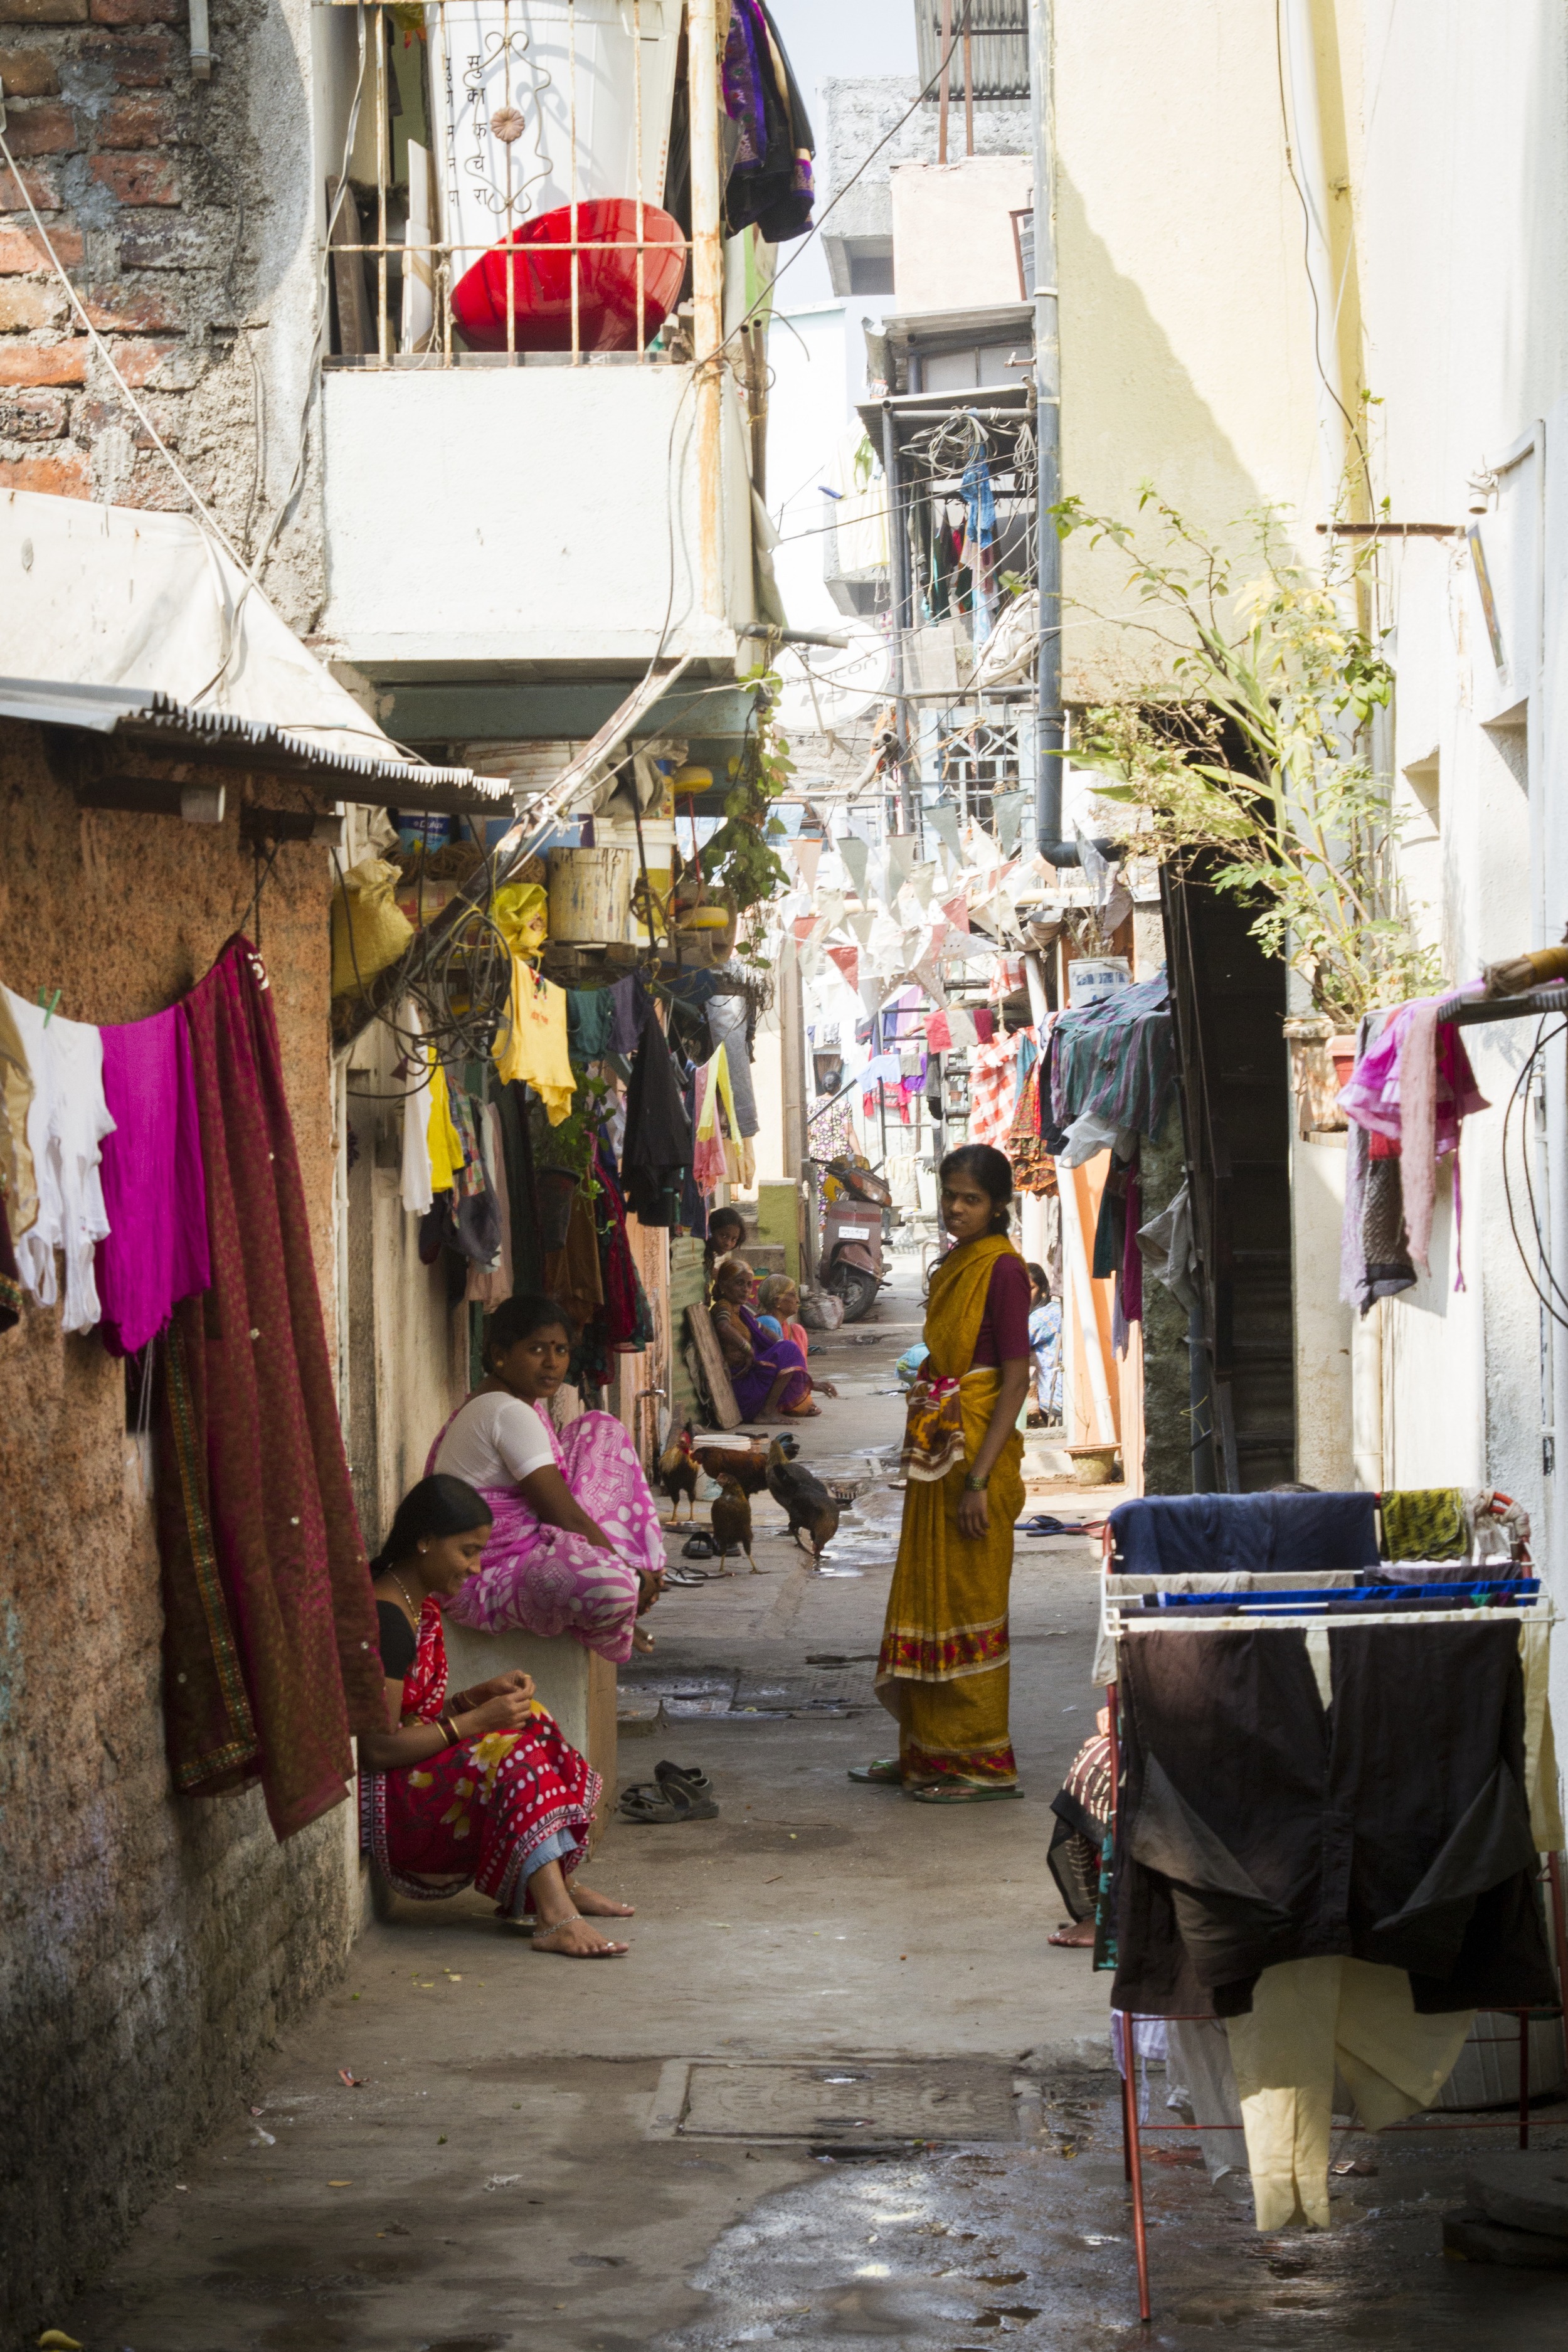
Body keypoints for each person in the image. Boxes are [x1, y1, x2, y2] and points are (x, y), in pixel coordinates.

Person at [358, 1475, 633, 1957]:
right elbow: (380, 1747)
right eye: (467, 1551)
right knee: (511, 1751)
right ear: (424, 1542)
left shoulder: (414, 1604)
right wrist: (473, 1724)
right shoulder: (387, 1619)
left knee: (532, 1720)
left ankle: (556, 1884)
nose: (475, 1566)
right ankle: (552, 1916)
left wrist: (474, 1700)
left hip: (413, 1770)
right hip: (389, 1802)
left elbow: (415, 1715)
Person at [856, 1144, 1031, 1802]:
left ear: (997, 1205)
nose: (957, 1209)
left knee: (968, 1600)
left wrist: (981, 1479)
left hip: (975, 1451)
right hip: (941, 1450)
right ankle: (927, 1752)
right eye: (950, 1195)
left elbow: (1016, 1377)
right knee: (931, 1591)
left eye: (971, 1199)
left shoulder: (1005, 1270)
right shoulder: (956, 1262)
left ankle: (982, 1764)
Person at [432, 1293, 666, 1660]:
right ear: (500, 1355)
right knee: (615, 1587)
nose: (552, 1363)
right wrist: (628, 1576)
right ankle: (636, 1578)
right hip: (480, 1576)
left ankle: (638, 1572)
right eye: (536, 1349)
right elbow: (563, 1513)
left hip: (518, 1549)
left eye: (560, 1350)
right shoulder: (508, 1412)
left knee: (600, 1429)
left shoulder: (507, 1404)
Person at [709, 1256, 837, 1420]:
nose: (746, 1290)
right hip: (740, 1384)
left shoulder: (741, 1311)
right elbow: (723, 1327)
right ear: (723, 1286)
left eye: (749, 1284)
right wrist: (748, 1350)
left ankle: (770, 1409)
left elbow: (761, 1330)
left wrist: (780, 1345)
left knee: (788, 1349)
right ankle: (767, 1412)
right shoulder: (723, 1306)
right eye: (739, 1283)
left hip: (749, 1377)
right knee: (789, 1350)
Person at [1025, 1259, 1062, 1425]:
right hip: (1051, 1399)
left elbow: (1011, 1345)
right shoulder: (1051, 1310)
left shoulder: (1043, 1316)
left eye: (1030, 1288)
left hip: (1055, 1400)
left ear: (1043, 1290)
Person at [756, 1273, 810, 1360]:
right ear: (777, 1301)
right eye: (793, 1295)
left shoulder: (796, 1331)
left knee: (798, 1329)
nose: (797, 1300)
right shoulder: (768, 1323)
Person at [704, 1205, 748, 1291]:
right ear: (711, 1231)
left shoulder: (709, 1258)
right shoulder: (701, 1254)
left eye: (734, 1239)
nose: (728, 1243)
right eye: (724, 1236)